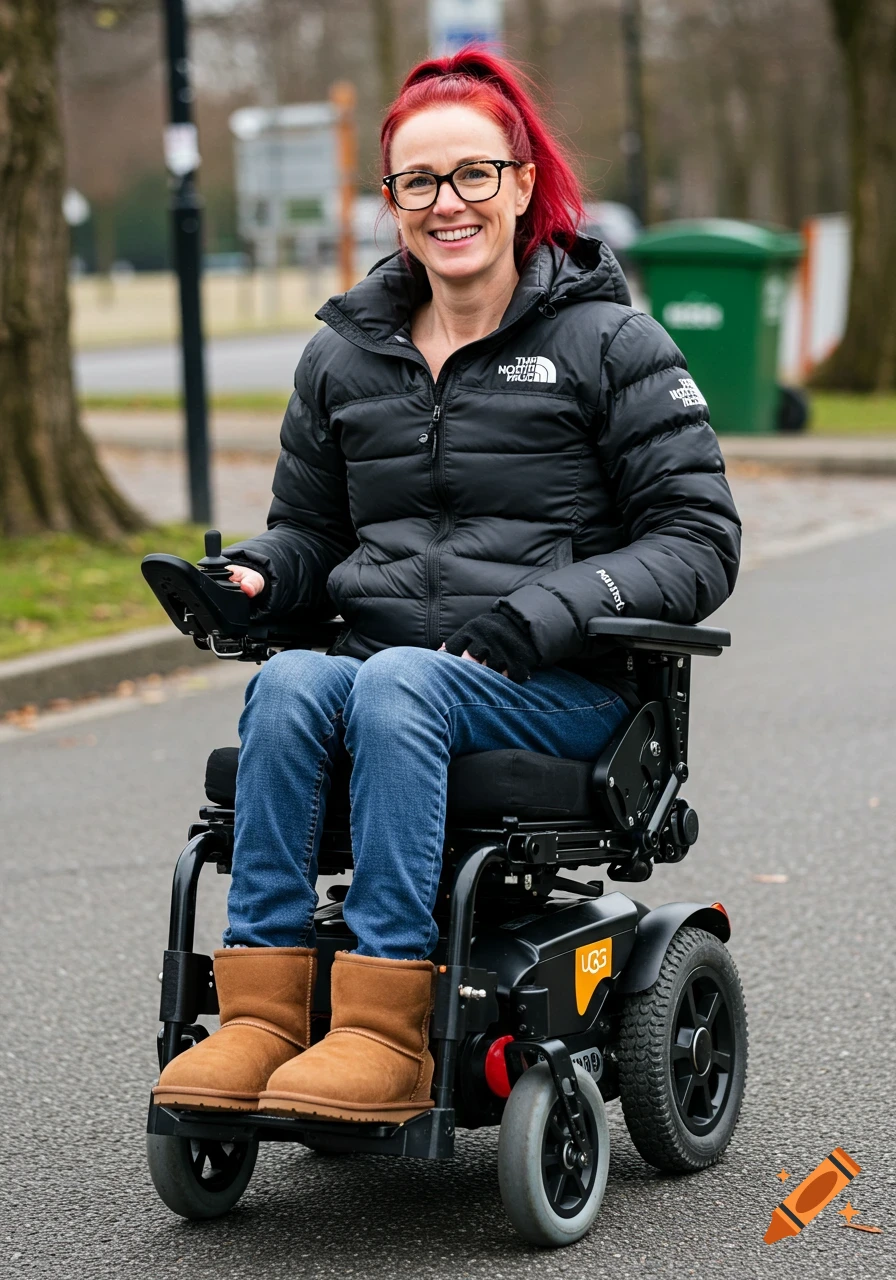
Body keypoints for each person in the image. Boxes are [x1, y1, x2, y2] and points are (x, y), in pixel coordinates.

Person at [154, 48, 741, 1124]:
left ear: (520, 183)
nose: (446, 202)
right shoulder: (342, 358)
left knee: (393, 686)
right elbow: (311, 534)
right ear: (391, 203)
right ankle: (263, 1013)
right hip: (391, 680)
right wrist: (252, 575)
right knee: (290, 683)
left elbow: (697, 540)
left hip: (559, 686)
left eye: (471, 174)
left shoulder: (610, 343)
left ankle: (383, 1024)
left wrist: (546, 607)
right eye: (417, 182)